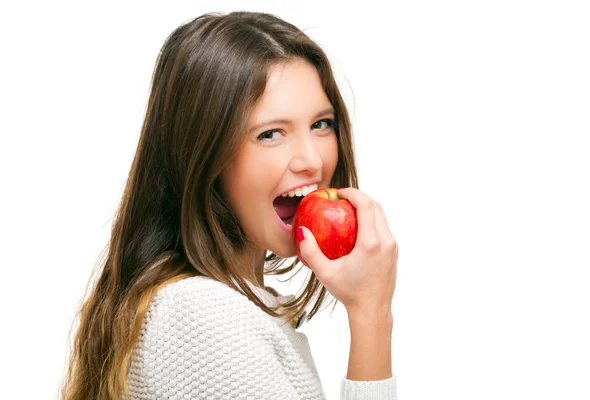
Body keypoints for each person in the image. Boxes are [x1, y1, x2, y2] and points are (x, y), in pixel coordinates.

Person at [61, 11, 398, 400]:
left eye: (321, 124)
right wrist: (373, 314)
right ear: (204, 155)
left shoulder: (215, 306)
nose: (313, 159)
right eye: (270, 133)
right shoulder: (201, 316)